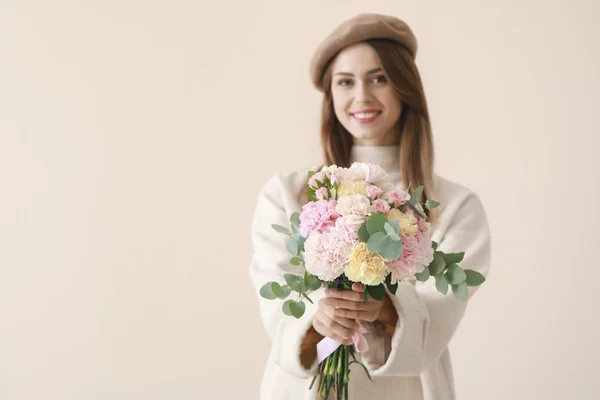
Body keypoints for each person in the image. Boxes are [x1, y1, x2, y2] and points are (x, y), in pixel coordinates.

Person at [249, 13, 491, 400]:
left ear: (404, 86)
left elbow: (435, 326)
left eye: (379, 78)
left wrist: (386, 308)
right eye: (345, 82)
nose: (362, 96)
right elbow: (277, 308)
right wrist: (319, 318)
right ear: (331, 95)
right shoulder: (286, 194)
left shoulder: (456, 206)